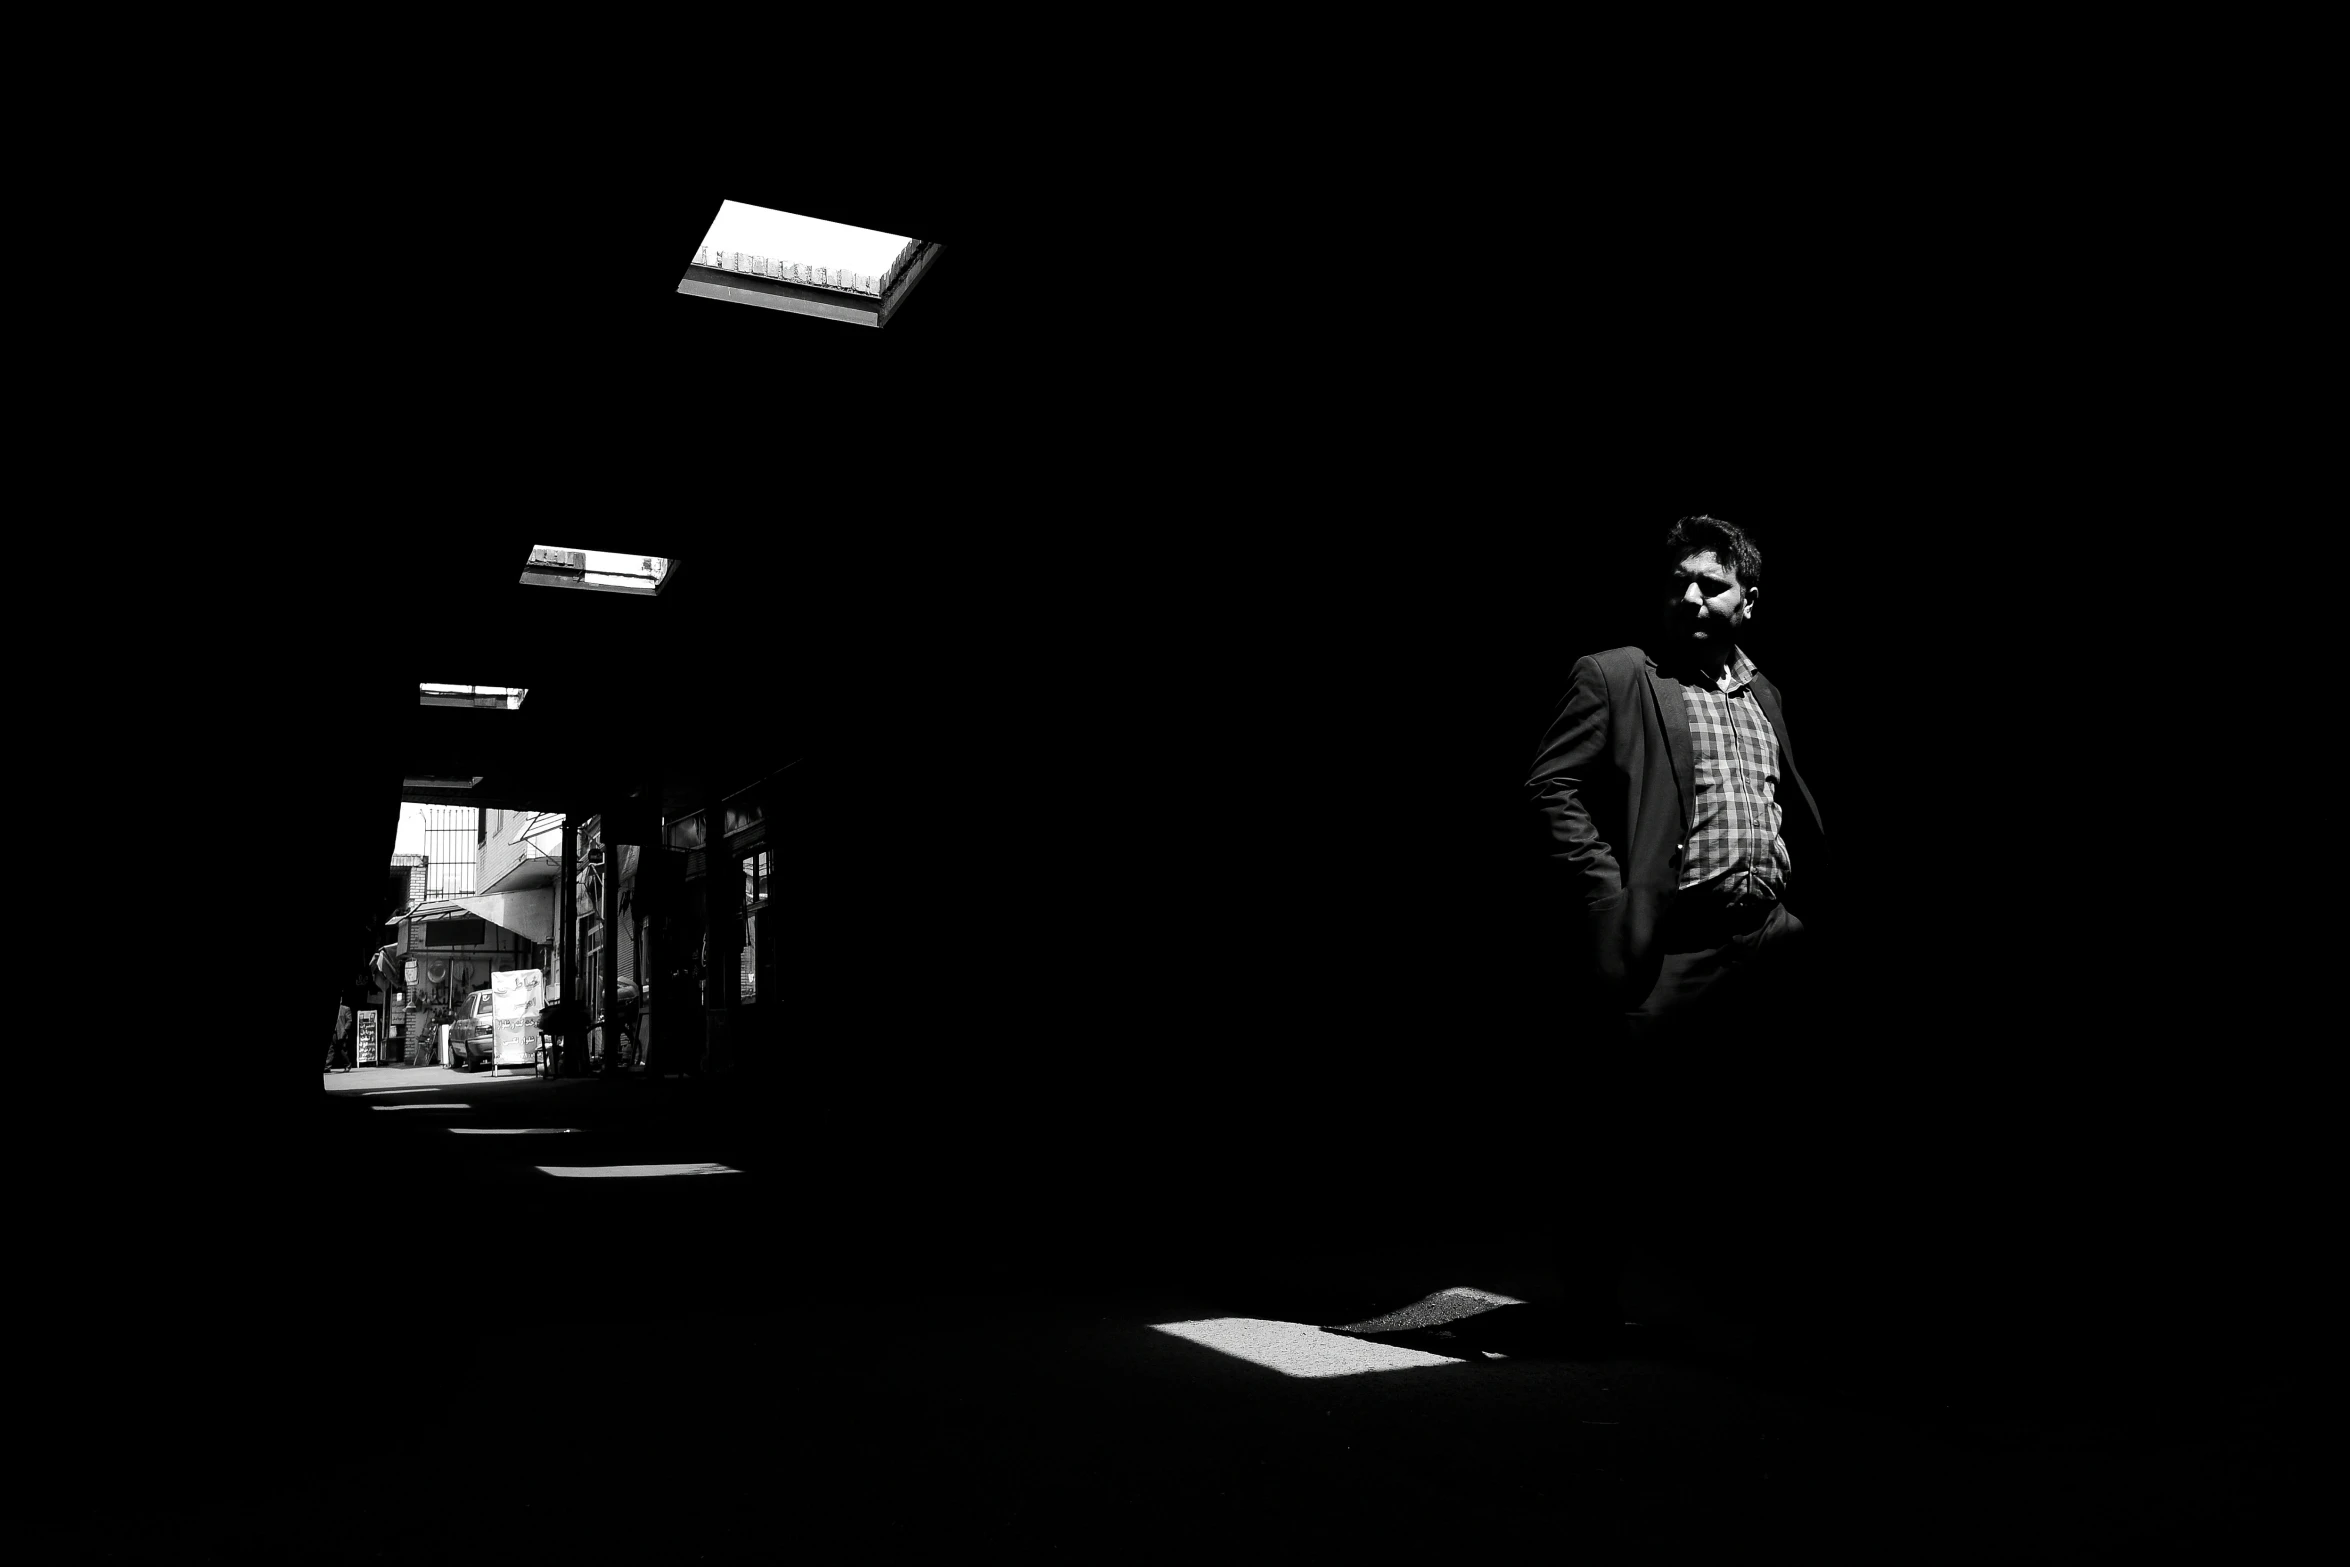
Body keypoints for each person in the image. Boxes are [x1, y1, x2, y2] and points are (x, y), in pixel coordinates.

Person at [1523, 515, 1829, 1352]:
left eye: (1713, 583)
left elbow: (1777, 797)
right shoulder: (1616, 676)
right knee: (1614, 1129)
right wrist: (1608, 892)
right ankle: (1591, 1309)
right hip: (1673, 940)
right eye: (1678, 583)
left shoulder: (1765, 692)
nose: (1691, 596)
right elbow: (1551, 786)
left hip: (1766, 931)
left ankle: (1781, 1304)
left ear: (1749, 599)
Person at [324, 998, 354, 1074]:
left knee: (341, 1049)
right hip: (333, 1032)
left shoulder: (345, 1009)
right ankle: (327, 1067)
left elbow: (349, 1020)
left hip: (340, 1032)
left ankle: (348, 1065)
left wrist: (345, 1030)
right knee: (330, 1049)